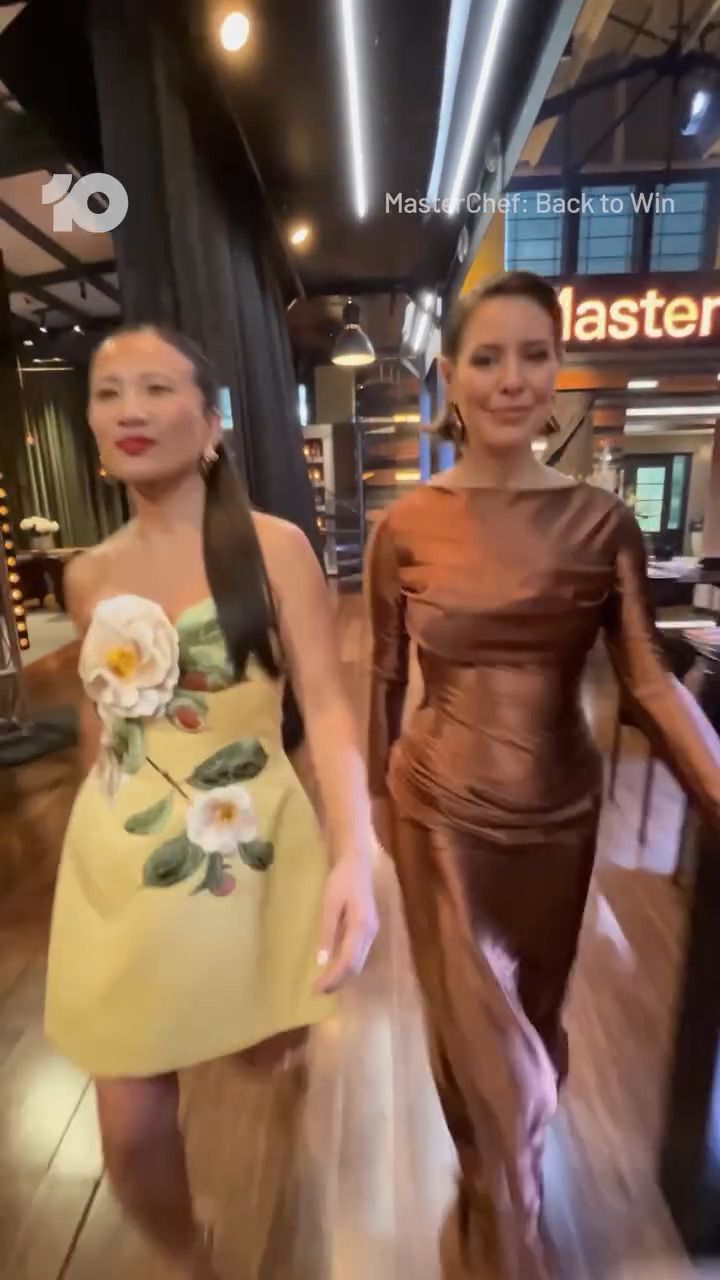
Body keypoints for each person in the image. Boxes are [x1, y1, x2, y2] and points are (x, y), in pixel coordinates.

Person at [365, 270, 720, 1280]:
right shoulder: (405, 527)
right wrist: (375, 817)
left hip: (562, 817)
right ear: (451, 374)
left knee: (534, 1022)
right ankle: (515, 1217)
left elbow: (649, 681)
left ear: (558, 369)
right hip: (437, 813)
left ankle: (490, 1183)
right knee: (484, 1043)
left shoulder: (604, 523)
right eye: (487, 357)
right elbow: (382, 684)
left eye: (533, 355)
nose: (511, 378)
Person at [45, 325, 378, 1280]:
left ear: (212, 420)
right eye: (109, 392)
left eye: (157, 388)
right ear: (91, 424)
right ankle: (189, 1260)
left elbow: (327, 707)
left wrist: (356, 854)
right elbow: (99, 724)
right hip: (117, 867)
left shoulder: (274, 550)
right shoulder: (87, 574)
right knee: (129, 1130)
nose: (131, 411)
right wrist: (82, 846)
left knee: (267, 1050)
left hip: (246, 847)